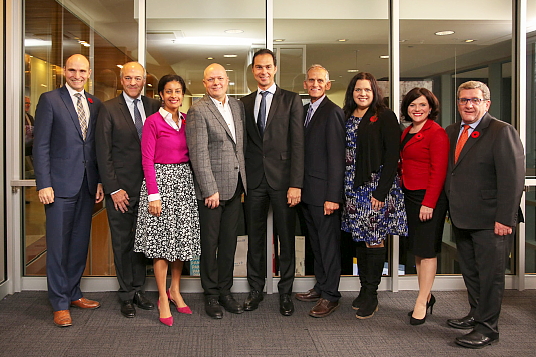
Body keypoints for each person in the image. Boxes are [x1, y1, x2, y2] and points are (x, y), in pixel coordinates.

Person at [445, 81, 524, 349]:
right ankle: (476, 315)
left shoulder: (502, 131)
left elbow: (513, 179)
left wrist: (505, 219)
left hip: (493, 221)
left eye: (474, 100)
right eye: (463, 100)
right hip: (463, 217)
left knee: (490, 277)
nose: (468, 104)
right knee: (471, 273)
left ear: (486, 104)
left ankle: (488, 329)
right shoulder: (452, 130)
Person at [33, 54, 104, 327]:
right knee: (59, 246)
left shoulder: (93, 103)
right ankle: (59, 303)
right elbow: (41, 145)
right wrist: (44, 183)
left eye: (82, 70)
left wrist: (97, 181)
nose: (77, 75)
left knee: (78, 245)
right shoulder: (50, 100)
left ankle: (74, 293)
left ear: (89, 72)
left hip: (87, 185)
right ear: (64, 71)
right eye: (72, 70)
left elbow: (94, 147)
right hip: (59, 186)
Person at [240, 49, 304, 316]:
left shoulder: (291, 100)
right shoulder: (244, 103)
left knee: (285, 239)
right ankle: (256, 289)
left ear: (275, 69)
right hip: (254, 180)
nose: (263, 71)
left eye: (267, 67)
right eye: (258, 67)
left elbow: (298, 144)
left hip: (284, 181)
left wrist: (296, 183)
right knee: (254, 238)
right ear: (252, 71)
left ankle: (285, 292)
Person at [134, 74, 200, 326]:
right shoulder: (152, 122)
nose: (174, 95)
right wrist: (153, 194)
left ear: (183, 95)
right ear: (161, 95)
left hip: (183, 183)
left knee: (180, 242)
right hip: (160, 183)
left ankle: (175, 290)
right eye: (169, 91)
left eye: (178, 91)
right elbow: (146, 160)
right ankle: (162, 297)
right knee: (161, 244)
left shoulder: (186, 121)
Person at [96, 62, 160, 318]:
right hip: (121, 190)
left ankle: (139, 289)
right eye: (128, 78)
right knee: (122, 242)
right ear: (121, 80)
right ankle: (125, 295)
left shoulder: (154, 106)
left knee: (141, 243)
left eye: (138, 78)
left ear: (145, 80)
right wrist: (113, 188)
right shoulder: (108, 108)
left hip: (148, 189)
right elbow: (103, 152)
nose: (133, 82)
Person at [341, 72, 407, 319]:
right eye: (358, 90)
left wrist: (381, 191)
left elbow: (392, 156)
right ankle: (363, 289)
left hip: (375, 187)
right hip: (351, 186)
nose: (363, 94)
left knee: (374, 239)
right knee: (360, 238)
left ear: (375, 92)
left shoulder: (385, 116)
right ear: (352, 92)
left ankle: (372, 294)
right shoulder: (347, 115)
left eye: (367, 90)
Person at [186, 63, 247, 319]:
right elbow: (198, 154)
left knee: (229, 243)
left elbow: (238, 147)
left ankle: (226, 291)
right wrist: (209, 189)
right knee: (209, 244)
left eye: (220, 78)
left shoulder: (236, 106)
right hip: (211, 192)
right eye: (210, 79)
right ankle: (211, 294)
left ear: (227, 80)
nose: (216, 83)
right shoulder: (198, 110)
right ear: (204, 83)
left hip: (235, 187)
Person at [294, 65, 345, 318]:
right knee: (316, 244)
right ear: (305, 84)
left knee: (328, 246)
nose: (315, 84)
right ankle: (321, 286)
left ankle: (331, 296)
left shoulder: (333, 112)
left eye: (320, 81)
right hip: (307, 192)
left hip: (325, 194)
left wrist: (333, 197)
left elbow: (337, 158)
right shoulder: (304, 111)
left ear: (328, 84)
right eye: (311, 80)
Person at [399, 88, 449, 325]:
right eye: (412, 105)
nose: (417, 109)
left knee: (427, 251)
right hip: (410, 195)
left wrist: (428, 203)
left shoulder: (436, 133)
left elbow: (439, 171)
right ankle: (426, 295)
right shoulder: (408, 131)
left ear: (431, 108)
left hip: (428, 198)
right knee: (418, 250)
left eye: (421, 105)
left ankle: (421, 301)